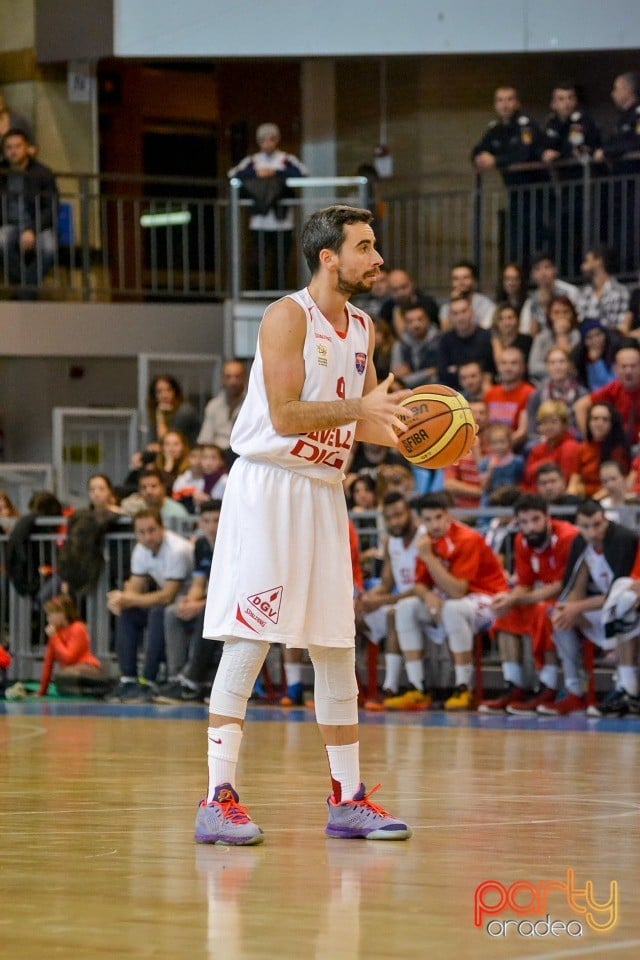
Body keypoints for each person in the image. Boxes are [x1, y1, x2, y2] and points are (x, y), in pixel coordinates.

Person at [196, 204, 413, 846]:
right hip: (269, 485)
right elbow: (288, 415)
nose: (377, 259)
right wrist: (362, 408)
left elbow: (370, 421)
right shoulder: (287, 316)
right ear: (329, 256)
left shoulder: (365, 325)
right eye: (365, 247)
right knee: (250, 639)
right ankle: (217, 798)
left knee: (334, 646)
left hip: (324, 490)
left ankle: (347, 797)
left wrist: (429, 433)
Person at [400, 492, 508, 711]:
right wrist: (429, 596)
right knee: (405, 609)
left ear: (448, 515)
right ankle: (417, 687)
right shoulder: (426, 540)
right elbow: (419, 584)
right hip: (451, 599)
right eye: (428, 519)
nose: (434, 524)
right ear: (420, 520)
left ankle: (463, 688)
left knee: (452, 609)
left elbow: (458, 590)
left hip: (489, 597)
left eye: (438, 517)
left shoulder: (468, 538)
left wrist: (429, 558)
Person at [478, 494, 578, 715]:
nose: (530, 527)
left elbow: (564, 585)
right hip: (542, 597)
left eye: (535, 520)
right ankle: (514, 686)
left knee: (544, 610)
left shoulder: (568, 537)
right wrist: (508, 598)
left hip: (572, 599)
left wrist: (519, 598)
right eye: (523, 522)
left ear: (548, 518)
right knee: (505, 611)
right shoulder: (521, 540)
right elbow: (524, 585)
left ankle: (548, 686)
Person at [543, 500, 639, 716]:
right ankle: (574, 690)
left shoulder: (623, 539)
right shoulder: (581, 544)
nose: (593, 532)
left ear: (605, 520)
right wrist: (569, 608)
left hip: (623, 608)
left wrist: (577, 607)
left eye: (597, 524)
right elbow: (575, 588)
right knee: (559, 616)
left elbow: (619, 592)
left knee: (622, 608)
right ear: (578, 525)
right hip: (602, 609)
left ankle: (628, 689)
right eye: (586, 527)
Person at [107, 507, 193, 703]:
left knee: (157, 612)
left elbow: (167, 596)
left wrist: (129, 598)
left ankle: (149, 680)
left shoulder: (177, 550)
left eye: (152, 530)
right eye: (141, 532)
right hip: (168, 604)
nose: (147, 537)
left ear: (163, 528)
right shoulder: (140, 550)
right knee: (127, 613)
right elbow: (135, 587)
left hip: (189, 604)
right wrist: (120, 601)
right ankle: (128, 678)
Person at [359, 492, 429, 711]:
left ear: (409, 512)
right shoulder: (391, 542)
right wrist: (367, 597)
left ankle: (391, 688)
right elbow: (387, 583)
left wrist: (381, 601)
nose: (394, 522)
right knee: (352, 614)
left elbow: (423, 589)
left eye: (398, 515)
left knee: (394, 613)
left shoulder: (426, 538)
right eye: (389, 518)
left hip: (427, 603)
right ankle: (355, 690)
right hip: (401, 602)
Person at [155, 500, 222, 704]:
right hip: (212, 602)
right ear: (200, 523)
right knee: (172, 612)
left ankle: (193, 679)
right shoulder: (201, 545)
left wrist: (200, 605)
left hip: (231, 605)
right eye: (207, 521)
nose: (212, 526)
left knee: (206, 613)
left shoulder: (235, 543)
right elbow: (199, 583)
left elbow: (233, 592)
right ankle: (178, 677)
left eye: (217, 520)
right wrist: (189, 600)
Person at [471, 86, 547, 267]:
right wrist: (480, 158)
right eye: (500, 100)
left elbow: (524, 153)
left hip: (536, 193)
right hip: (514, 194)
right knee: (515, 241)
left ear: (517, 103)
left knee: (535, 239)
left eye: (509, 99)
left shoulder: (525, 125)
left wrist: (496, 161)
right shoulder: (495, 129)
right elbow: (478, 150)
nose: (505, 105)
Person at [228, 122, 307, 290]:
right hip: (259, 222)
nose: (267, 143)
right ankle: (257, 291)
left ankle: (276, 293)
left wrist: (276, 173)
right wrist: (256, 173)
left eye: (271, 139)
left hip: (283, 221)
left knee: (280, 262)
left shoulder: (286, 159)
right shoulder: (253, 161)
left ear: (276, 140)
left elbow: (301, 172)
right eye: (263, 140)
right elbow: (234, 174)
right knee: (256, 261)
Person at [0, 128, 58, 295]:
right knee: (1, 241)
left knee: (49, 248)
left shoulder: (42, 173)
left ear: (27, 148)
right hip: (8, 224)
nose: (13, 151)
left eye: (17, 146)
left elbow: (51, 207)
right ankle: (27, 288)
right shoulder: (1, 172)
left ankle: (22, 290)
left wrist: (32, 229)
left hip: (38, 225)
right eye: (9, 147)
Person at [37, 595, 109, 697]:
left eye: (51, 614)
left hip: (88, 669)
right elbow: (48, 664)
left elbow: (69, 658)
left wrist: (55, 638)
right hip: (69, 672)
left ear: (63, 613)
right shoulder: (56, 633)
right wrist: (42, 691)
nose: (48, 619)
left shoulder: (78, 628)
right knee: (63, 675)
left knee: (69, 674)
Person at [573, 343, 640, 447]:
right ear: (616, 369)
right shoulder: (614, 388)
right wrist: (589, 439)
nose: (628, 371)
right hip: (618, 446)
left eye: (633, 366)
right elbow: (580, 406)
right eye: (624, 366)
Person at [525, 346, 587, 449]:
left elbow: (584, 431)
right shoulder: (537, 395)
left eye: (562, 362)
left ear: (570, 365)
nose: (557, 367)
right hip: (544, 441)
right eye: (552, 363)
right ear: (547, 366)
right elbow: (532, 430)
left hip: (573, 440)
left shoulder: (582, 394)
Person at [568, 402, 630, 498]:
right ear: (589, 421)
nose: (599, 423)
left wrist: (593, 502)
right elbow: (574, 479)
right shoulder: (582, 448)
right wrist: (570, 495)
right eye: (595, 418)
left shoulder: (619, 450)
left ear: (612, 424)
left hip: (609, 497)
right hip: (584, 498)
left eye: (605, 419)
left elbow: (617, 483)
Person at [437, 294, 496, 389]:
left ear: (472, 312)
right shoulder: (445, 340)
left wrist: (456, 369)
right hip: (455, 392)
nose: (460, 317)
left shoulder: (486, 337)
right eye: (455, 313)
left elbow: (492, 370)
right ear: (450, 317)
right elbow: (443, 373)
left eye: (464, 311)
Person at [522, 400, 580, 492]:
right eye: (544, 422)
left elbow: (565, 479)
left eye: (553, 422)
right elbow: (527, 477)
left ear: (564, 424)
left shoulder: (570, 447)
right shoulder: (537, 449)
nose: (548, 427)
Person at [484, 346, 534, 450]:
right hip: (491, 448)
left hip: (514, 448)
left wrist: (499, 447)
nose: (508, 368)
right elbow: (485, 427)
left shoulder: (529, 393)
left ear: (523, 367)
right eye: (504, 363)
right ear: (498, 367)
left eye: (513, 363)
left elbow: (522, 432)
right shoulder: (490, 393)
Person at [197, 360, 248, 462]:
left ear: (245, 378)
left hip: (244, 455)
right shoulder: (213, 405)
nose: (233, 382)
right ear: (222, 379)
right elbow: (205, 439)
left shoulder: (253, 404)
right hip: (217, 458)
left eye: (237, 376)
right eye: (228, 377)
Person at [519, 253, 579, 336]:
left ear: (555, 270)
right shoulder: (531, 302)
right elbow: (525, 331)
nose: (543, 273)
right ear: (533, 275)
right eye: (537, 269)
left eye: (547, 267)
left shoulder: (570, 292)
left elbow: (579, 321)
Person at [527, 296, 581, 384]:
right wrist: (556, 369)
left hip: (573, 383)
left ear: (572, 314)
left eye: (565, 312)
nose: (561, 316)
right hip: (545, 383)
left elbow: (575, 367)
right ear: (550, 315)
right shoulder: (541, 337)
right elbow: (533, 367)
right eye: (556, 313)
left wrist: (562, 334)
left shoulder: (578, 336)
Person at [576, 246, 630, 331]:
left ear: (599, 261)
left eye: (587, 261)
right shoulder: (584, 292)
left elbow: (619, 326)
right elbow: (579, 320)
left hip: (611, 341)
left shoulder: (620, 291)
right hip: (585, 339)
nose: (582, 266)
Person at [389, 302, 440, 388]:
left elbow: (438, 376)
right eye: (410, 321)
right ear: (405, 323)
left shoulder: (440, 341)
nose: (415, 325)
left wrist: (411, 377)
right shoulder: (399, 345)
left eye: (420, 319)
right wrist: (427, 372)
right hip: (407, 394)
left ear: (428, 320)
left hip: (435, 391)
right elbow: (397, 379)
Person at [378, 268, 440, 337]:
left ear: (412, 284)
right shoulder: (386, 308)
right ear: (389, 290)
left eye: (404, 287)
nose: (400, 293)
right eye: (395, 290)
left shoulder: (428, 303)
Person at [120, 466, 190, 526]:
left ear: (163, 487)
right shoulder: (137, 507)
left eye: (153, 486)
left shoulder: (177, 511)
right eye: (144, 487)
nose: (148, 491)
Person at [438, 260, 495, 330]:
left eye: (465, 278)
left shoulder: (486, 305)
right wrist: (454, 304)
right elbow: (445, 332)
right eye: (456, 279)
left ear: (474, 281)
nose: (461, 282)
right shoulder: (446, 307)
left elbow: (484, 333)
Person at [147, 374, 200, 447]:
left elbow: (167, 441)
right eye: (159, 392)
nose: (164, 395)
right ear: (154, 395)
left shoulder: (185, 411)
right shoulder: (157, 410)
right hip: (171, 451)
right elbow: (153, 441)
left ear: (175, 392)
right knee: (139, 457)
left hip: (189, 452)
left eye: (168, 390)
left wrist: (160, 415)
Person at [478, 423, 525, 505]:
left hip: (511, 501)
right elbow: (484, 487)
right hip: (490, 502)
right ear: (489, 444)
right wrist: (490, 470)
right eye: (494, 443)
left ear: (509, 442)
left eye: (502, 442)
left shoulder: (518, 461)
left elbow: (521, 483)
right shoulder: (485, 463)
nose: (498, 446)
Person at [571, 320, 622, 392]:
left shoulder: (616, 350)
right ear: (584, 341)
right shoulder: (581, 357)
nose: (596, 340)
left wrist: (597, 362)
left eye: (598, 334)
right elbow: (594, 387)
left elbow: (612, 385)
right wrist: (593, 362)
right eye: (589, 337)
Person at [490, 302, 532, 367]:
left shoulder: (528, 341)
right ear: (496, 322)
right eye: (501, 319)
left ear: (517, 320)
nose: (507, 323)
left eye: (510, 318)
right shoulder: (490, 342)